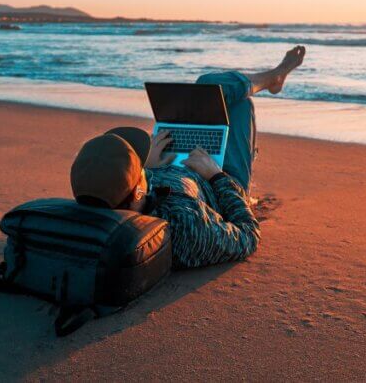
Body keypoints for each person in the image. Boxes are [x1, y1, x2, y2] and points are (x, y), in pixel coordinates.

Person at [69, 45, 305, 268]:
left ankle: (273, 78)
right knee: (233, 101)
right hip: (220, 180)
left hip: (174, 170)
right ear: (137, 192)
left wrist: (150, 168)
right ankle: (275, 77)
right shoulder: (183, 226)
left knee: (208, 91)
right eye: (138, 169)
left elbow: (128, 198)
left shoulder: (104, 195)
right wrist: (215, 176)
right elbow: (248, 236)